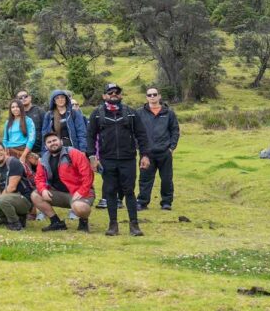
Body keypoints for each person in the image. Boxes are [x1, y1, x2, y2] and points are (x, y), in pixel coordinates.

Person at [87, 83, 150, 237]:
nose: (113, 94)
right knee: (110, 191)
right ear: (104, 96)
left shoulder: (131, 113)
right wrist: (92, 157)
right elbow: (90, 137)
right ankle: (113, 225)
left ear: (121, 95)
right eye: (110, 92)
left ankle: (134, 225)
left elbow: (141, 134)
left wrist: (145, 155)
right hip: (107, 159)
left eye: (117, 92)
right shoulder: (96, 114)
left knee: (129, 191)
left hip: (128, 159)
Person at [32, 132, 95, 233]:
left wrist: (82, 191)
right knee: (35, 195)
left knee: (80, 207)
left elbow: (88, 174)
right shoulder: (44, 159)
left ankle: (83, 222)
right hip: (59, 193)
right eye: (49, 142)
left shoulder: (74, 153)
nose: (52, 143)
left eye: (54, 140)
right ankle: (56, 223)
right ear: (46, 146)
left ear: (61, 141)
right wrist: (43, 190)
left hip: (80, 192)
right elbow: (39, 178)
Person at [137, 86, 180, 211]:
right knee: (145, 179)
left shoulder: (169, 113)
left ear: (159, 96)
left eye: (154, 94)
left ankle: (166, 202)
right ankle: (142, 202)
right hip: (146, 153)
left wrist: (171, 147)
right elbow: (135, 131)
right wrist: (139, 148)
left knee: (166, 179)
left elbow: (175, 130)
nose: (152, 97)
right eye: (149, 95)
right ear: (146, 97)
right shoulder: (139, 113)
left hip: (164, 152)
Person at [0, 142, 33, 231]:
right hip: (7, 199)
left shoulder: (13, 162)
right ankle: (19, 217)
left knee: (2, 200)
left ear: (5, 151)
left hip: (23, 199)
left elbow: (12, 187)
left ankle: (15, 223)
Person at [17, 90, 46, 160]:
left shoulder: (40, 111)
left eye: (25, 96)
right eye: (20, 98)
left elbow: (47, 130)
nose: (23, 98)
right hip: (24, 151)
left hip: (40, 150)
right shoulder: (17, 114)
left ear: (30, 97)